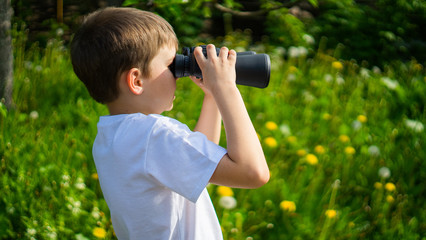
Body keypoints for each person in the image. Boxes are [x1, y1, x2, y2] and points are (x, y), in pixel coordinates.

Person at [70, 7, 269, 240]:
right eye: (169, 65)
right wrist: (226, 88)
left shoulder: (111, 138)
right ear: (136, 80)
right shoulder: (154, 134)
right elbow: (252, 173)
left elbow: (196, 164)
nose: (177, 75)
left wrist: (212, 97)